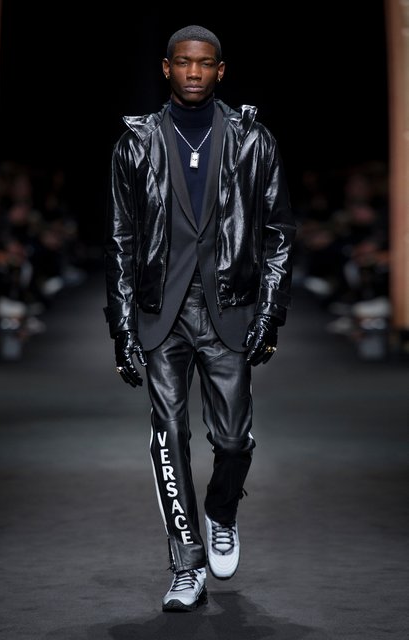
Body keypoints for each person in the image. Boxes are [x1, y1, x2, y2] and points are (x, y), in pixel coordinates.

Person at [103, 25, 296, 613]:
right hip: (160, 312)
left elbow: (278, 232)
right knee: (169, 436)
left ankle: (222, 512)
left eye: (204, 63)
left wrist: (271, 312)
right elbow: (121, 239)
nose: (193, 72)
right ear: (167, 68)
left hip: (228, 309)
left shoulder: (252, 140)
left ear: (220, 70)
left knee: (233, 441)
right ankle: (186, 565)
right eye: (184, 63)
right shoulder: (135, 144)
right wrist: (122, 327)